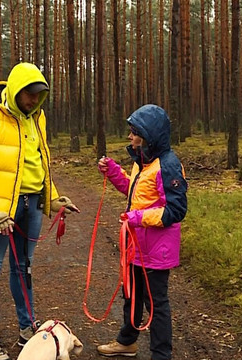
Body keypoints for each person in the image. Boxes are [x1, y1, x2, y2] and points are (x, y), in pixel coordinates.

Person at [0, 62, 80, 360]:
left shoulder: (37, 118)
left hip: (32, 204)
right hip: (1, 208)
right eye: (29, 95)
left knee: (23, 267)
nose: (33, 101)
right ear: (15, 90)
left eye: (38, 96)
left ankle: (27, 327)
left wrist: (53, 199)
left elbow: (39, 163)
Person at [96, 104, 188, 360]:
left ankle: (161, 355)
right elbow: (135, 193)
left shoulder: (167, 165)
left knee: (156, 304)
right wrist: (113, 171)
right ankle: (127, 342)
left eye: (133, 132)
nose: (129, 137)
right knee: (132, 295)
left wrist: (136, 218)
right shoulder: (143, 162)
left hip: (157, 250)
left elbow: (175, 210)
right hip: (137, 246)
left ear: (148, 135)